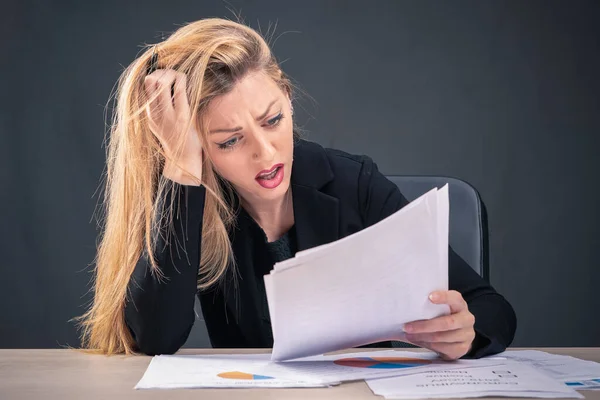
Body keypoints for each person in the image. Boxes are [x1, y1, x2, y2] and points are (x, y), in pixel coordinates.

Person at [78, 18, 516, 360]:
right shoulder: (190, 200)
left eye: (272, 120)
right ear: (195, 147)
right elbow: (154, 337)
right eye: (229, 141)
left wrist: (468, 329)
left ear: (287, 98)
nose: (265, 153)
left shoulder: (353, 182)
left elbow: (492, 307)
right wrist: (180, 165)